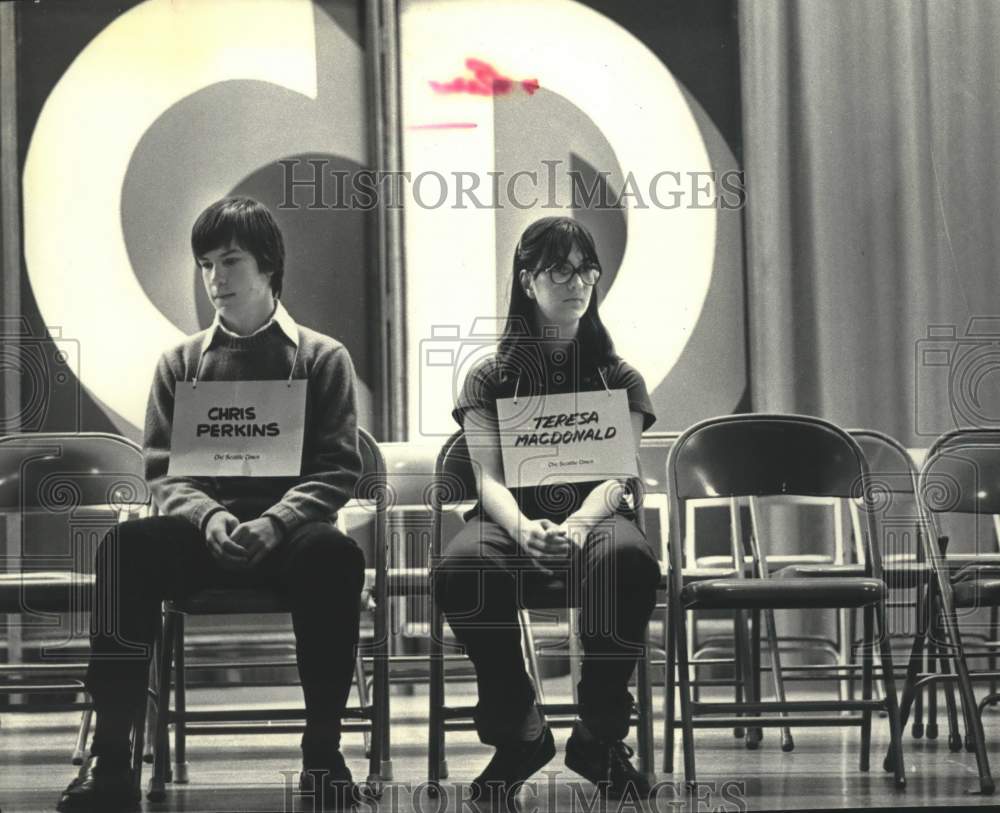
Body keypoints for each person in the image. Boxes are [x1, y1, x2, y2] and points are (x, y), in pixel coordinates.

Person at [58, 197, 365, 812]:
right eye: (205, 265)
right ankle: (112, 756)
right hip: (202, 533)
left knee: (336, 554)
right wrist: (211, 516)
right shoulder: (179, 363)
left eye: (230, 262)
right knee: (124, 548)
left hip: (291, 536)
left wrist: (276, 522)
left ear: (269, 267)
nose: (215, 280)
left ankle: (323, 755)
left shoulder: (322, 358)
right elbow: (162, 471)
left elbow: (339, 468)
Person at [432, 217, 660, 804]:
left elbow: (622, 477)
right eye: (560, 268)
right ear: (527, 280)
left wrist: (581, 524)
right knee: (463, 566)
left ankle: (600, 734)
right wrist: (523, 529)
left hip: (599, 515)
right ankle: (519, 732)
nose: (577, 281)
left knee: (631, 560)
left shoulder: (618, 375)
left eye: (586, 268)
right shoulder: (489, 377)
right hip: (509, 518)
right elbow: (484, 475)